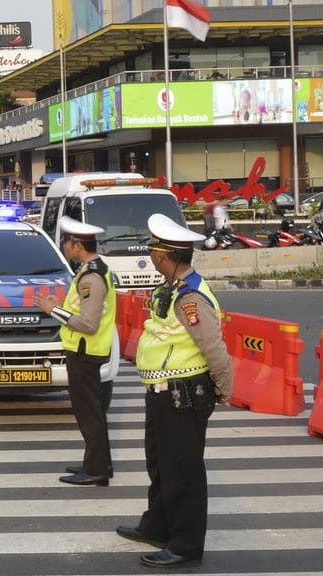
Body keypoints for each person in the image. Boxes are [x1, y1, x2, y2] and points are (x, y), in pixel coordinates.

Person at [115, 213, 233, 569]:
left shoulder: (191, 297)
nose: (150, 254)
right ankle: (158, 525)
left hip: (184, 394)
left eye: (153, 248)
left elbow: (213, 347)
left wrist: (223, 389)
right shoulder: (172, 288)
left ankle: (185, 543)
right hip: (163, 392)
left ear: (165, 255)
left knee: (183, 471)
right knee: (161, 464)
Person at [34, 216, 116, 487]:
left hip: (84, 350)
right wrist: (61, 305)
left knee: (88, 413)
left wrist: (52, 310)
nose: (64, 246)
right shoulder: (93, 269)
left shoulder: (91, 277)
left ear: (78, 245)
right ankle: (99, 463)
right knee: (93, 411)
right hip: (86, 350)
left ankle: (96, 470)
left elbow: (88, 324)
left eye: (66, 242)